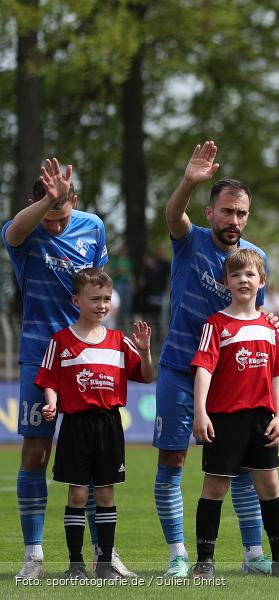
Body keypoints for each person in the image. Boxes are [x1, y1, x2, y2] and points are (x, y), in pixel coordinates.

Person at [3, 159, 135, 579]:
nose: (57, 224)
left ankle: (103, 554)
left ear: (75, 201)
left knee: (98, 459)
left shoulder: (93, 226)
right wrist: (49, 201)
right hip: (39, 353)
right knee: (35, 453)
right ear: (35, 202)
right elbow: (15, 231)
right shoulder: (24, 229)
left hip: (89, 356)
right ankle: (34, 555)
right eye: (49, 210)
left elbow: (98, 283)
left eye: (63, 210)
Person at [153, 141, 274, 577]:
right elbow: (171, 216)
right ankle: (179, 554)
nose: (235, 221)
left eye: (241, 213)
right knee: (173, 461)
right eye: (227, 211)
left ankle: (253, 554)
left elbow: (257, 315)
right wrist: (189, 181)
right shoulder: (191, 241)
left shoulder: (257, 258)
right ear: (210, 213)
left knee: (241, 467)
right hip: (181, 370)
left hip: (230, 381)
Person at [34, 269, 155, 579]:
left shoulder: (117, 340)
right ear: (76, 300)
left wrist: (144, 351)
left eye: (106, 299)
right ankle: (75, 564)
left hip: (108, 425)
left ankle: (103, 564)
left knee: (105, 494)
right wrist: (51, 401)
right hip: (75, 424)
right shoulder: (61, 340)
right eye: (95, 299)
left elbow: (146, 374)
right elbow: (49, 379)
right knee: (77, 494)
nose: (102, 305)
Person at [190, 249, 279, 579]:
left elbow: (277, 374)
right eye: (236, 275)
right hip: (224, 419)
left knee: (270, 486)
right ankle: (205, 561)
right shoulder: (216, 324)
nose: (243, 280)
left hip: (261, 419)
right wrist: (200, 412)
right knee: (215, 488)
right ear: (226, 282)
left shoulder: (269, 326)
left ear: (262, 281)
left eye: (250, 275)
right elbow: (204, 369)